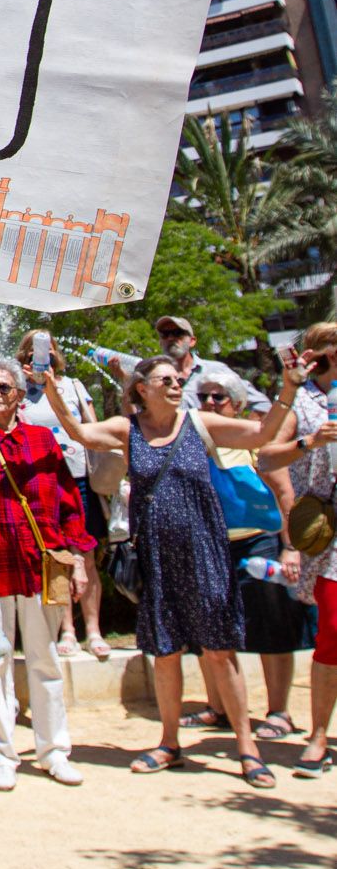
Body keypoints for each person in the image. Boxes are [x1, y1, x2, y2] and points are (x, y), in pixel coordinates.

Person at [44, 353, 305, 786]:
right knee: (165, 655)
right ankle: (168, 743)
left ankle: (247, 748)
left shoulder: (198, 423)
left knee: (220, 653)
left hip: (206, 554)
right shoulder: (128, 429)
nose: (175, 384)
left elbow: (261, 433)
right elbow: (79, 433)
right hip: (159, 558)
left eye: (177, 378)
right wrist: (52, 388)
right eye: (165, 379)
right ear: (141, 387)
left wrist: (290, 387)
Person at [0, 353, 94, 790]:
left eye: (4, 387)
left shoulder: (43, 440)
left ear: (20, 395)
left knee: (44, 661)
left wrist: (77, 559)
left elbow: (68, 503)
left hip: (38, 565)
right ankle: (2, 753)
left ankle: (53, 749)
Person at [179, 368, 315, 747]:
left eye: (217, 397)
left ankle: (278, 711)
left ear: (237, 405)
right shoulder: (191, 442)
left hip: (259, 544)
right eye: (203, 397)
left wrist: (290, 547)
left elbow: (285, 495)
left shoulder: (258, 443)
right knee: (210, 632)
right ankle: (217, 707)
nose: (208, 403)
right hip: (209, 547)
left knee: (272, 626)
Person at [261, 323, 337, 775]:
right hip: (328, 530)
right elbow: (266, 456)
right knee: (331, 631)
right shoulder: (299, 401)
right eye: (326, 349)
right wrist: (310, 441)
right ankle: (318, 736)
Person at [15, 330, 110, 660]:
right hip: (39, 481)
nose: (39, 359)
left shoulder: (73, 386)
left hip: (78, 476)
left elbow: (92, 427)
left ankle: (95, 630)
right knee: (56, 556)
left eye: (46, 352)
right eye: (31, 353)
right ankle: (67, 629)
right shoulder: (18, 390)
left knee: (84, 556)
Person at [154, 315, 268, 413]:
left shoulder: (216, 370)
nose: (171, 338)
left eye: (178, 333)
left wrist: (245, 433)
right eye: (165, 334)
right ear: (160, 342)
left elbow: (262, 404)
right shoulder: (154, 377)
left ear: (192, 341)